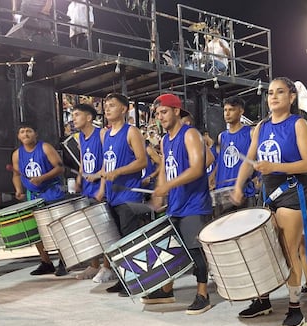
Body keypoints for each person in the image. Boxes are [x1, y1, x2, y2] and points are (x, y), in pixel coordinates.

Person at [231, 77, 307, 326]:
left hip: (292, 191)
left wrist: (275, 167)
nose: (274, 97)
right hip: (267, 194)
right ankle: (263, 300)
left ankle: (294, 306)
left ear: (291, 97)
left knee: (289, 250)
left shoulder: (298, 124)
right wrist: (238, 185)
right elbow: (250, 158)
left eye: (280, 92)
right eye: (270, 93)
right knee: (264, 248)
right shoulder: (261, 126)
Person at [146, 93, 214, 314]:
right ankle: (167, 290)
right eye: (157, 114)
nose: (160, 117)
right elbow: (166, 167)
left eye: (164, 112)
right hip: (176, 203)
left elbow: (197, 168)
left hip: (194, 203)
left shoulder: (190, 134)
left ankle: (203, 294)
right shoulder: (165, 140)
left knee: (195, 250)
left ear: (176, 111)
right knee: (173, 250)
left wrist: (168, 185)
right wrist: (160, 192)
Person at [95, 93, 148, 293]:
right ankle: (124, 278)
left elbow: (141, 161)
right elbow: (106, 164)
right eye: (106, 106)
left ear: (124, 109)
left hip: (128, 195)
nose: (107, 109)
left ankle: (136, 280)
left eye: (112, 106)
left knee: (129, 239)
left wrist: (118, 171)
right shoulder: (104, 134)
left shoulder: (132, 131)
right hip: (112, 195)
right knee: (116, 240)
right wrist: (101, 182)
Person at [11, 121, 67, 276]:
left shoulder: (45, 147)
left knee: (56, 229)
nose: (25, 134)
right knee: (36, 231)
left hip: (52, 192)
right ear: (18, 136)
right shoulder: (17, 154)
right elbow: (16, 174)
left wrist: (42, 178)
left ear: (35, 134)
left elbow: (60, 167)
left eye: (29, 131)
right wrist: (18, 189)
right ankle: (46, 262)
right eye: (22, 132)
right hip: (32, 196)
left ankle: (64, 261)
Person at [73, 103, 108, 280]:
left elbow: (108, 160)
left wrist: (100, 181)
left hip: (101, 189)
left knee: (106, 231)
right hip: (87, 190)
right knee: (91, 230)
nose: (74, 118)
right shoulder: (80, 136)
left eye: (77, 114)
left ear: (89, 117)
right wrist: (79, 179)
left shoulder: (101, 134)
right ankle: (94, 266)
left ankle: (107, 267)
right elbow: (82, 161)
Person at [213, 96, 257, 215]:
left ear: (241, 111)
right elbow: (221, 162)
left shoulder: (251, 132)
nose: (227, 113)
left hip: (244, 191)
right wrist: (212, 177)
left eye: (231, 110)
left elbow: (255, 160)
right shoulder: (222, 136)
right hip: (223, 193)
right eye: (225, 110)